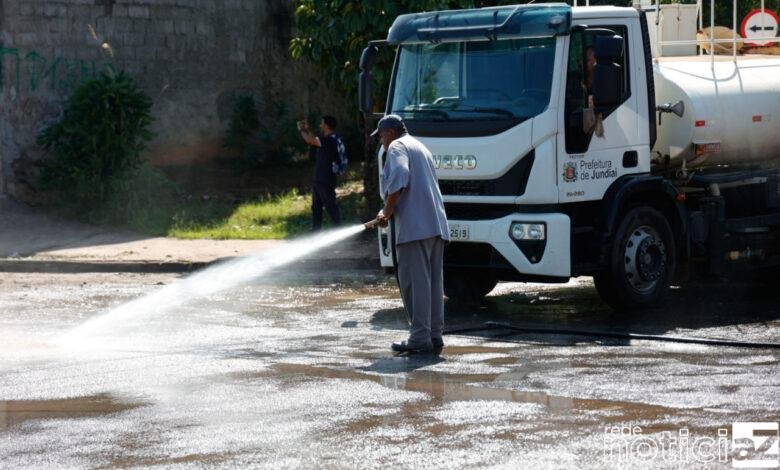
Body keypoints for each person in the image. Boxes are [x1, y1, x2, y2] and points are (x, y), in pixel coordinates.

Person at [374, 115, 450, 354]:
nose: (381, 143)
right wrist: (388, 209)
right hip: (435, 225)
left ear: (389, 132)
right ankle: (433, 335)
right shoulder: (419, 146)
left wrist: (387, 209)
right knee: (432, 284)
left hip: (416, 228)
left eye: (381, 138)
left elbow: (399, 176)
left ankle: (419, 337)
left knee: (414, 284)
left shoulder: (397, 146)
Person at [297, 115, 342, 231]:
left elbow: (310, 140)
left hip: (325, 179)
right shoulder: (327, 139)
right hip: (319, 179)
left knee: (330, 205)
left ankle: (337, 230)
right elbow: (315, 139)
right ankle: (316, 230)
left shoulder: (330, 140)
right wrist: (307, 130)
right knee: (316, 207)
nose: (320, 125)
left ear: (326, 126)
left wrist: (301, 130)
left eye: (322, 123)